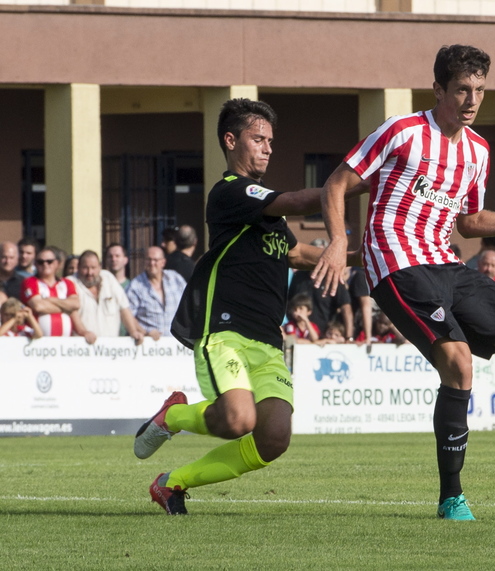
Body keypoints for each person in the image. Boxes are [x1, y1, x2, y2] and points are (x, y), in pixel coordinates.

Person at [312, 45, 495, 520]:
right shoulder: (401, 131)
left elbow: (468, 223)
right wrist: (333, 239)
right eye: (463, 90)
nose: (472, 100)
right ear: (439, 90)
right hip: (395, 262)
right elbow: (336, 183)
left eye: (480, 91)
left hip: (445, 263)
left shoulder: (478, 150)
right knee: (459, 362)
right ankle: (452, 495)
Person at [134, 97, 364, 515]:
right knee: (239, 420)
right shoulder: (231, 192)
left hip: (267, 342)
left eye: (270, 141)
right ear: (230, 140)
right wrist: (351, 182)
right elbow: (296, 201)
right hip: (224, 333)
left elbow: (300, 256)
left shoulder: (268, 217)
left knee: (274, 438)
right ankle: (175, 416)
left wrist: (371, 254)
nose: (268, 147)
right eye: (258, 138)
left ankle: (172, 484)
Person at [68, 250, 146, 345]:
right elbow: (72, 312)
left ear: (100, 267)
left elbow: (124, 308)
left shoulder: (108, 277)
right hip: (81, 347)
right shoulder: (70, 282)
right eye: (85, 268)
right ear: (79, 267)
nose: (90, 272)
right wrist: (83, 332)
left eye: (93, 268)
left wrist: (133, 331)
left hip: (111, 349)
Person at [289, 239, 354, 341]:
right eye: (315, 255)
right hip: (300, 338)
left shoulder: (334, 277)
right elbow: (289, 303)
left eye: (323, 255)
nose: (319, 259)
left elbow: (346, 308)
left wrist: (349, 337)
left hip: (326, 338)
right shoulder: (299, 277)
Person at [125, 246, 186, 337]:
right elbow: (128, 315)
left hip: (175, 344)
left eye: (155, 260)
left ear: (163, 262)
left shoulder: (176, 279)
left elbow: (187, 306)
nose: (152, 263)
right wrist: (145, 332)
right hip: (149, 345)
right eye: (148, 260)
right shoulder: (135, 286)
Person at [19, 247, 80, 337]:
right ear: (35, 264)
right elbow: (38, 306)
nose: (45, 264)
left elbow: (76, 304)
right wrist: (66, 307)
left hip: (64, 344)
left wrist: (49, 300)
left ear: (57, 263)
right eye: (40, 262)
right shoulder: (30, 282)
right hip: (36, 343)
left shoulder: (67, 283)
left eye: (49, 261)